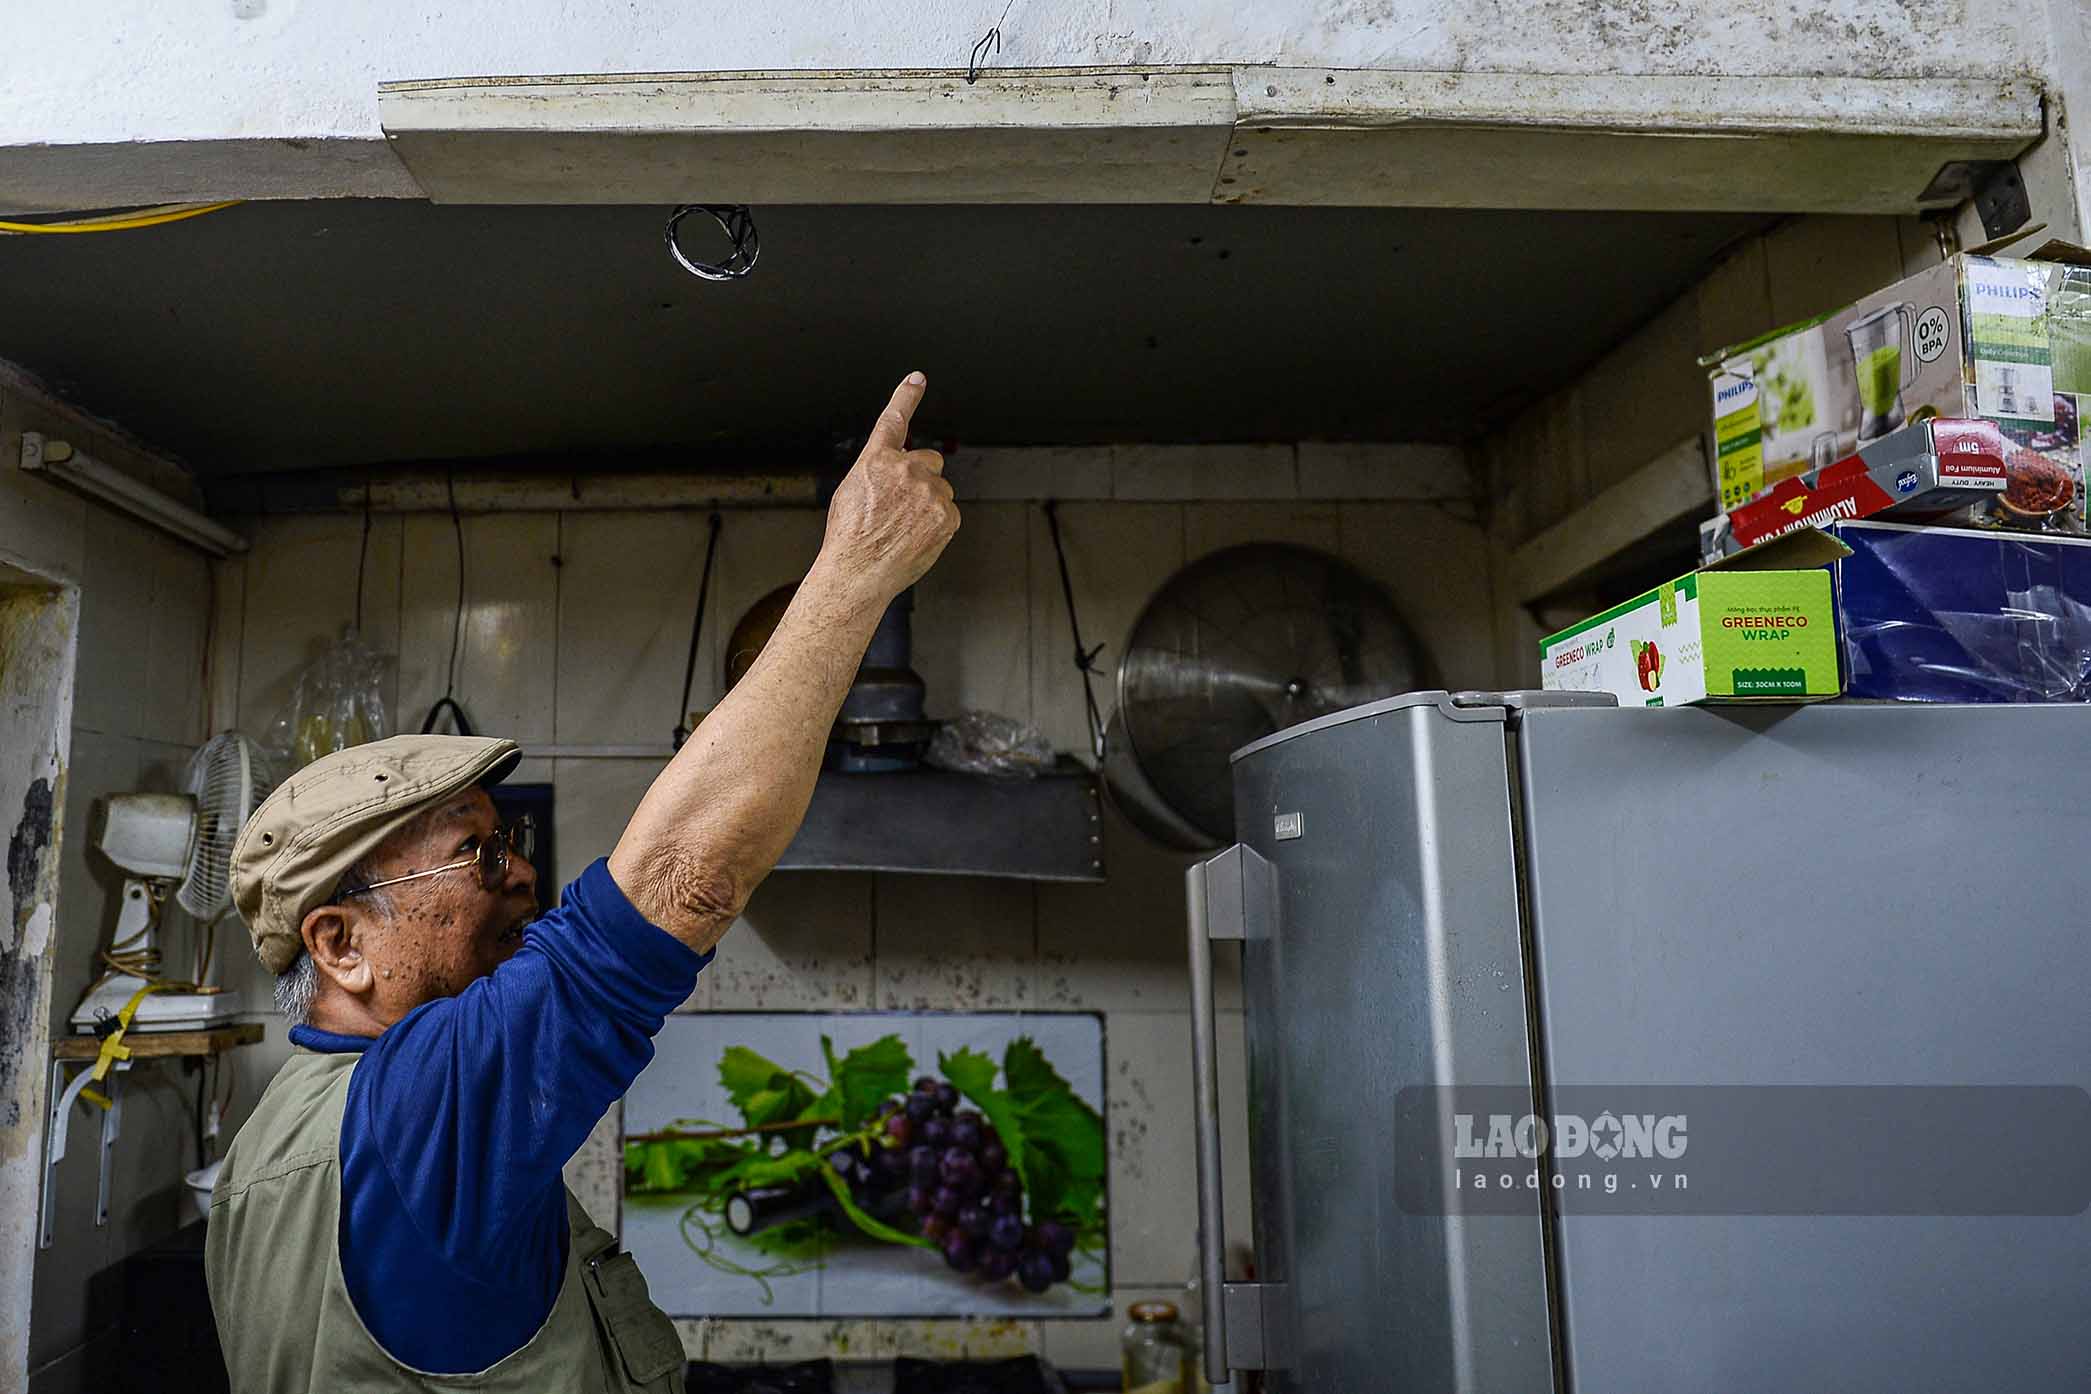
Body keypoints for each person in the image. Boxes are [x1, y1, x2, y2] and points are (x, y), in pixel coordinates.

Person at [205, 374, 958, 1392]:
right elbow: (685, 880)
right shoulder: (419, 1107)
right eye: (475, 853)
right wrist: (858, 567)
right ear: (342, 943)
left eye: (504, 835)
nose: (521, 870)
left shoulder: (272, 1141)